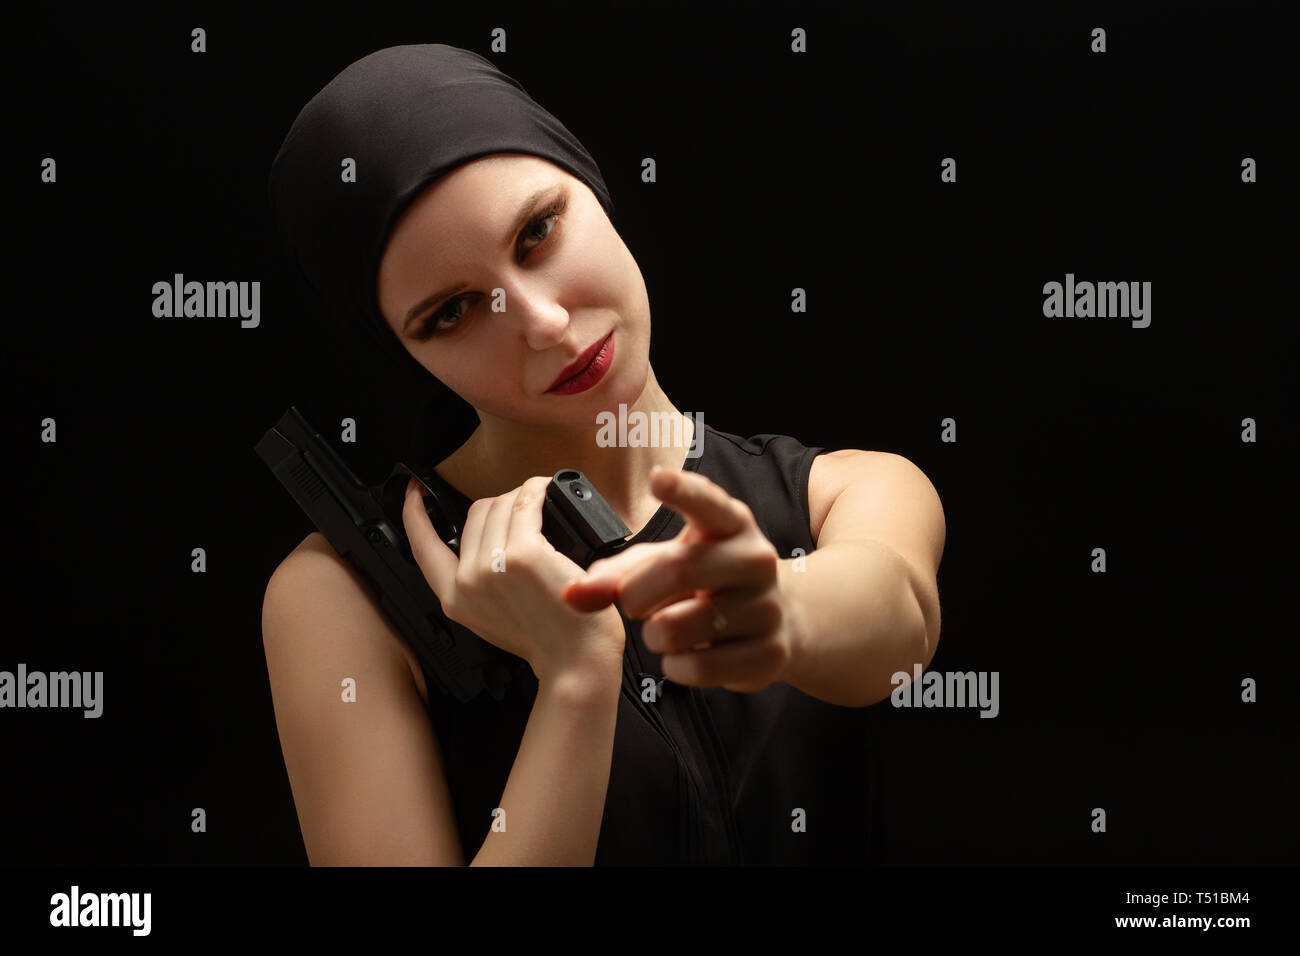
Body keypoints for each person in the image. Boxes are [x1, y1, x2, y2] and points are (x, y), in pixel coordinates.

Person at [261, 43, 945, 866]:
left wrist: (775, 606)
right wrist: (577, 680)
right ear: (406, 353)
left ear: (593, 186)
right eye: (452, 313)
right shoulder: (345, 599)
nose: (544, 323)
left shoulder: (845, 491)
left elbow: (897, 626)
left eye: (538, 232)